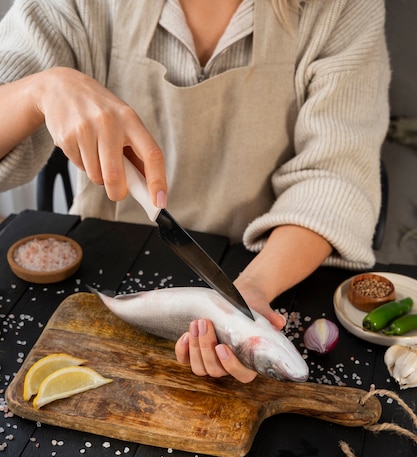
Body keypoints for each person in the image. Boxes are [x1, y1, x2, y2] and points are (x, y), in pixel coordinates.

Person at [0, 0, 390, 382]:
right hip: (107, 259)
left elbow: (334, 178)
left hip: (268, 265)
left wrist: (254, 288)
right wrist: (38, 91)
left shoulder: (343, 8)